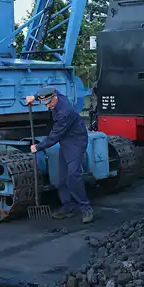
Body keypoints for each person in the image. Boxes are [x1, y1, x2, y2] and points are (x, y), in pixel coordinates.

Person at [26, 90, 93, 223]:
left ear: (55, 98)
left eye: (49, 103)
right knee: (62, 177)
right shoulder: (55, 94)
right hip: (65, 141)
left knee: (73, 175)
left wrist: (38, 147)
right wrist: (33, 97)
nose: (47, 106)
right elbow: (47, 89)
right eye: (44, 103)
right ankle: (68, 206)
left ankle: (86, 208)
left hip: (75, 142)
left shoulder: (65, 112)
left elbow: (54, 136)